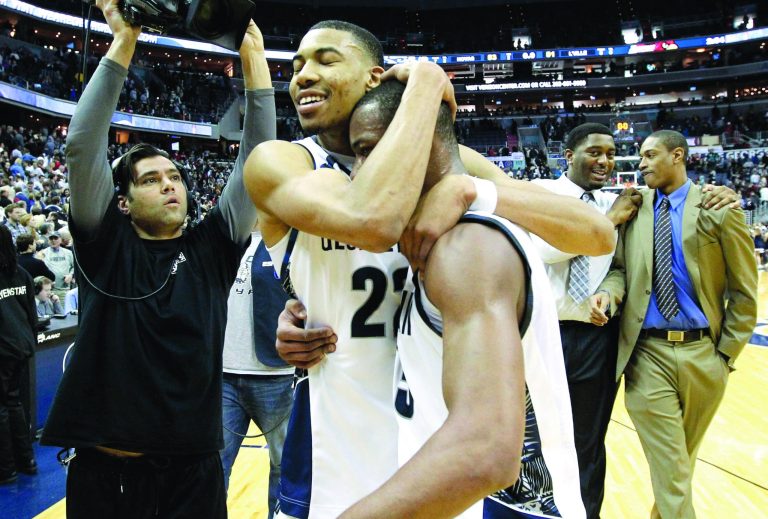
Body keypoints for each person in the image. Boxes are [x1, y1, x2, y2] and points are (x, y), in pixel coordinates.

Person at [246, 20, 614, 519]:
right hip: (339, 439)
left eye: (326, 60)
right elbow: (372, 219)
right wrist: (426, 83)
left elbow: (595, 233)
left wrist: (474, 189)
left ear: (375, 77)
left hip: (439, 437)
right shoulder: (285, 161)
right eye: (296, 66)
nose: (303, 76)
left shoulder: (446, 160)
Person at [38, 0, 274, 516]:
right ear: (122, 202)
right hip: (106, 473)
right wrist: (125, 40)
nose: (170, 185)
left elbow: (259, 158)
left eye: (174, 177)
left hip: (192, 473)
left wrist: (253, 57)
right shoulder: (104, 242)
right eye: (150, 180)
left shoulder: (214, 246)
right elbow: (82, 144)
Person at [340, 80, 584, 519]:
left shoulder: (468, 246)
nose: (357, 174)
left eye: (367, 151)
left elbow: (485, 450)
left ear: (419, 139)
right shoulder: (429, 240)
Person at [592, 130, 758, 519]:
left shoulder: (719, 208)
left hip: (705, 355)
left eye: (650, 155)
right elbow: (619, 270)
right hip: (647, 353)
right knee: (672, 467)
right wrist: (609, 294)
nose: (641, 164)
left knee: (678, 467)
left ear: (677, 156)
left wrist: (725, 356)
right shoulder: (633, 208)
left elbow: (744, 291)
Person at [530, 123, 641, 518]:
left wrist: (716, 193)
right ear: (569, 155)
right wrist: (607, 221)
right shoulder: (543, 193)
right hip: (545, 335)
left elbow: (620, 266)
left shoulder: (618, 201)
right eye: (595, 152)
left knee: (589, 442)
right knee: (538, 439)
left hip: (597, 337)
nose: (605, 161)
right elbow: (545, 250)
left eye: (611, 154)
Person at [220, 224, 294, 519]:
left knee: (284, 468)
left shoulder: (292, 243)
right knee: (213, 467)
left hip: (278, 377)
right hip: (223, 375)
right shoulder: (222, 241)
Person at [0, 225, 38, 484]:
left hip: (3, 348)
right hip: (22, 345)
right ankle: (27, 461)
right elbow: (31, 314)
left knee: (2, 407)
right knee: (13, 402)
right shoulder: (20, 273)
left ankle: (6, 469)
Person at [39, 231, 74, 300]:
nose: (53, 240)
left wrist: (71, 275)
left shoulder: (68, 253)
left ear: (60, 239)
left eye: (55, 238)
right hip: (49, 290)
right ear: (48, 240)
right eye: (51, 238)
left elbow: (74, 267)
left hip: (64, 289)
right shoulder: (43, 253)